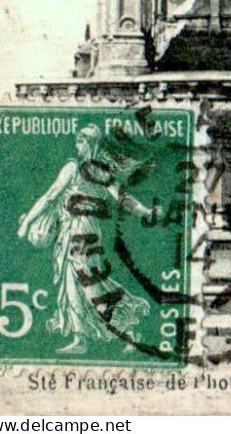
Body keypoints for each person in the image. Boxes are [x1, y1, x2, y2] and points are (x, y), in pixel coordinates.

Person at [16, 125, 153, 355]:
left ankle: (128, 332)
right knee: (74, 285)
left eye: (80, 142)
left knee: (90, 285)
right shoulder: (101, 172)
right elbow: (124, 199)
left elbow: (50, 197)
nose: (77, 146)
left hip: (81, 232)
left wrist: (26, 224)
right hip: (74, 232)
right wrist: (146, 212)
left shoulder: (76, 168)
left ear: (90, 143)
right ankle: (81, 339)